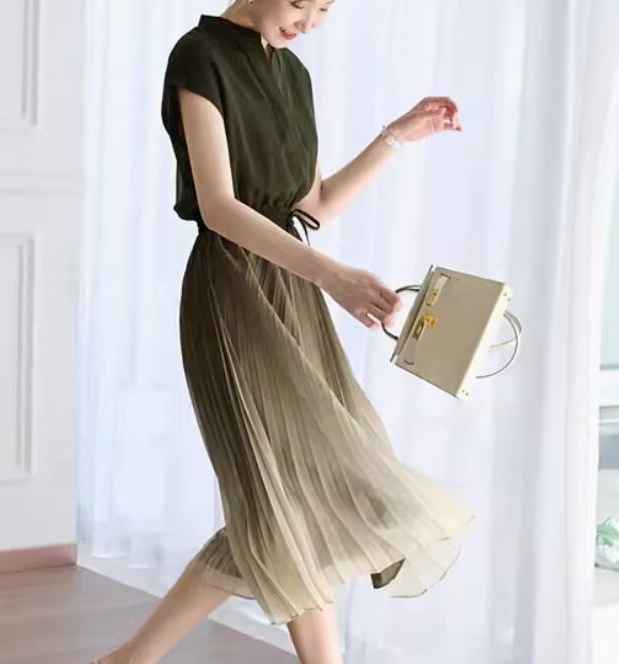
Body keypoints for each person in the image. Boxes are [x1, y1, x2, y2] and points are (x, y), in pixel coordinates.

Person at [91, 1, 475, 663]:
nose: (311, 21)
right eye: (302, 2)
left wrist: (397, 136)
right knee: (284, 497)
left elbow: (314, 205)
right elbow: (219, 207)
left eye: (325, 8)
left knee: (300, 499)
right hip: (232, 291)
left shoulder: (293, 75)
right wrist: (333, 276)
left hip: (294, 290)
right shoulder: (200, 56)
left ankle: (129, 660)